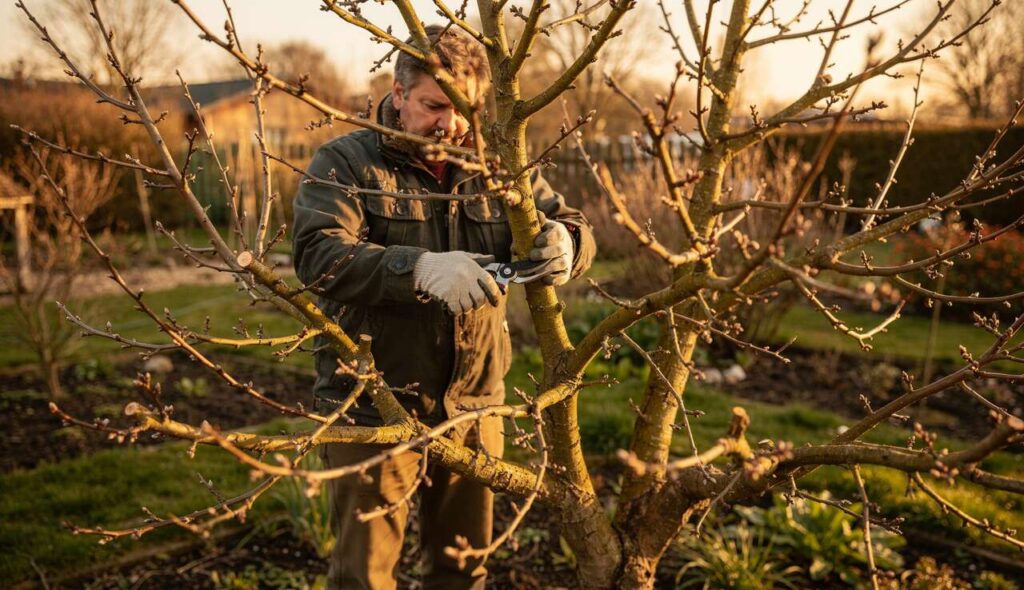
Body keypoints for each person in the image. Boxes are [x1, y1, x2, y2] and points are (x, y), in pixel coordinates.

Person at [291, 24, 596, 590]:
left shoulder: (496, 164)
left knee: (461, 571)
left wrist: (569, 243)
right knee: (364, 577)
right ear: (399, 93)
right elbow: (318, 255)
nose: (451, 125)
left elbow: (568, 219)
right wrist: (420, 269)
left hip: (475, 407)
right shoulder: (346, 162)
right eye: (434, 105)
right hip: (374, 404)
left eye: (466, 109)